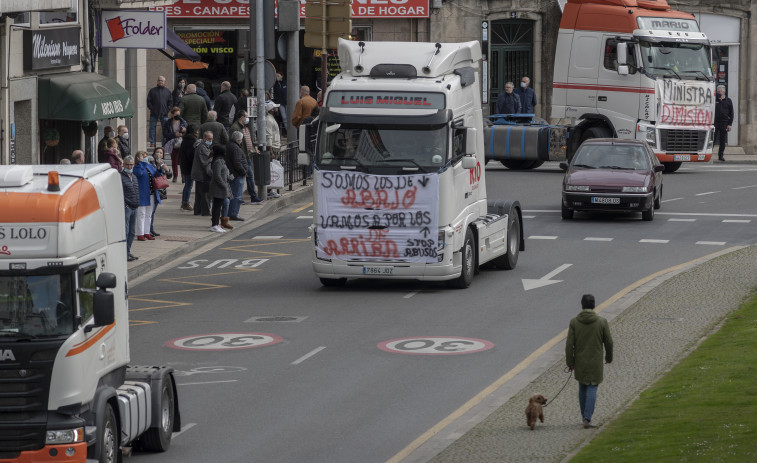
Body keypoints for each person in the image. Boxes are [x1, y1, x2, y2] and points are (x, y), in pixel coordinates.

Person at [565, 294, 614, 429]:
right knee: (592, 386)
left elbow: (569, 344)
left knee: (582, 386)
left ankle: (583, 415)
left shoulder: (574, 322)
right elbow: (609, 342)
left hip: (580, 360)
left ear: (581, 306)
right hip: (595, 361)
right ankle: (587, 417)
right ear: (594, 306)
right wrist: (609, 357)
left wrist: (570, 362)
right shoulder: (602, 322)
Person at [230, 109, 262, 203]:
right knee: (246, 177)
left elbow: (248, 140)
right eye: (246, 117)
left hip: (246, 155)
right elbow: (236, 143)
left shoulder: (244, 127)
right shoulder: (235, 128)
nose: (247, 119)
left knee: (248, 176)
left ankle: (249, 196)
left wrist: (253, 149)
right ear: (241, 117)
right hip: (241, 156)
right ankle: (247, 197)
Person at [132, 151, 163, 242]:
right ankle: (140, 234)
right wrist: (141, 163)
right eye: (143, 157)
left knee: (149, 214)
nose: (146, 158)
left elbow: (157, 174)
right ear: (138, 158)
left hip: (152, 193)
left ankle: (147, 232)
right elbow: (139, 174)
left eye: (146, 156)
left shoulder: (149, 166)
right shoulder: (137, 167)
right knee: (141, 214)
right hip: (142, 193)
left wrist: (158, 167)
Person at [209, 144, 232, 233]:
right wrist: (224, 185)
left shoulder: (221, 160)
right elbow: (217, 176)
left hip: (221, 186)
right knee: (217, 206)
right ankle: (214, 225)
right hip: (218, 187)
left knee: (218, 206)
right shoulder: (218, 161)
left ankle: (216, 224)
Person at [226, 131, 249, 221]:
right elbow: (237, 162)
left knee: (231, 194)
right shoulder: (235, 148)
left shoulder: (229, 145)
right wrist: (243, 172)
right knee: (237, 195)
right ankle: (233, 214)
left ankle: (228, 213)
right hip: (237, 175)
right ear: (239, 140)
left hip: (232, 174)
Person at [148, 147, 171, 236]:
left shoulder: (163, 163)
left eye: (161, 153)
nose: (159, 154)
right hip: (153, 189)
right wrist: (158, 166)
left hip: (160, 189)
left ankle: (151, 228)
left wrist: (167, 169)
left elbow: (169, 176)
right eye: (157, 152)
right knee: (151, 211)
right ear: (154, 154)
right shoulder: (151, 163)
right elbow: (153, 174)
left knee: (153, 211)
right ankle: (149, 229)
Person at [120, 156, 140, 261]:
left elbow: (136, 191)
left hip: (135, 207)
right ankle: (124, 253)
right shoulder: (120, 176)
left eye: (131, 164)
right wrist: (125, 205)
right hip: (127, 207)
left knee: (132, 232)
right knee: (126, 231)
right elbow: (119, 193)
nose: (129, 166)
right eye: (127, 164)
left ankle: (128, 251)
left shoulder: (134, 176)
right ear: (123, 164)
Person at [191, 130, 214, 216]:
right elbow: (204, 162)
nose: (210, 141)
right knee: (205, 194)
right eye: (209, 139)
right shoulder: (202, 147)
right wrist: (212, 158)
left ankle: (198, 210)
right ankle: (205, 211)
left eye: (211, 139)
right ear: (204, 138)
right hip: (202, 175)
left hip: (199, 174)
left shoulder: (202, 146)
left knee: (199, 194)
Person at [146, 76, 173, 147]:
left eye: (162, 80)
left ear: (164, 82)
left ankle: (164, 143)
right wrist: (152, 109)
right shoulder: (152, 91)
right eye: (159, 80)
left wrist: (167, 110)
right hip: (154, 114)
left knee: (165, 129)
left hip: (164, 114)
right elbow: (149, 102)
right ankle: (152, 142)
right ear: (157, 81)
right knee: (152, 128)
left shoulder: (168, 91)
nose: (160, 82)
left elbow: (170, 103)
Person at [162, 106, 187, 181]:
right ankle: (175, 175)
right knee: (174, 160)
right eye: (176, 114)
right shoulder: (168, 123)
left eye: (179, 114)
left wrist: (184, 130)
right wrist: (174, 134)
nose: (177, 116)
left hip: (181, 142)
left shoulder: (183, 122)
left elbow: (187, 132)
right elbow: (165, 134)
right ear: (172, 114)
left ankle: (183, 176)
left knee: (182, 160)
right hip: (172, 143)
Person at [179, 124, 199, 211]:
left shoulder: (186, 140)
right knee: (189, 185)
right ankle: (185, 202)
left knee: (188, 184)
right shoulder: (191, 141)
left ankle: (184, 202)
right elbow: (191, 155)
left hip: (185, 165)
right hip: (189, 166)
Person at [265, 101, 282, 199]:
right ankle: (269, 190)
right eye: (275, 108)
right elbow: (269, 136)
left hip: (275, 146)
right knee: (270, 170)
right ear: (271, 110)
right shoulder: (269, 120)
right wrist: (271, 151)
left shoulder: (271, 119)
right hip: (273, 147)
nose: (277, 109)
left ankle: (270, 189)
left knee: (271, 170)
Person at [714, 85, 734, 162]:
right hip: (715, 122)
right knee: (713, 139)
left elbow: (731, 113)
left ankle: (720, 155)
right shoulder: (715, 99)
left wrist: (730, 124)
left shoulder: (728, 100)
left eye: (719, 92)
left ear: (723, 92)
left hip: (724, 123)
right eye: (717, 91)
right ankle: (709, 154)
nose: (718, 93)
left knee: (722, 141)